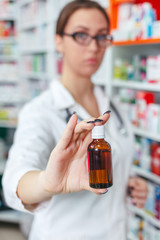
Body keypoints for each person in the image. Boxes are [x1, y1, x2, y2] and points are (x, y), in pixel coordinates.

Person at [2, 1, 148, 239]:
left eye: (102, 36)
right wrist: (46, 183)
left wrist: (126, 181)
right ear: (59, 41)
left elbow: (110, 161)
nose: (93, 47)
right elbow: (16, 179)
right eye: (81, 35)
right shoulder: (40, 111)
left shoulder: (114, 106)